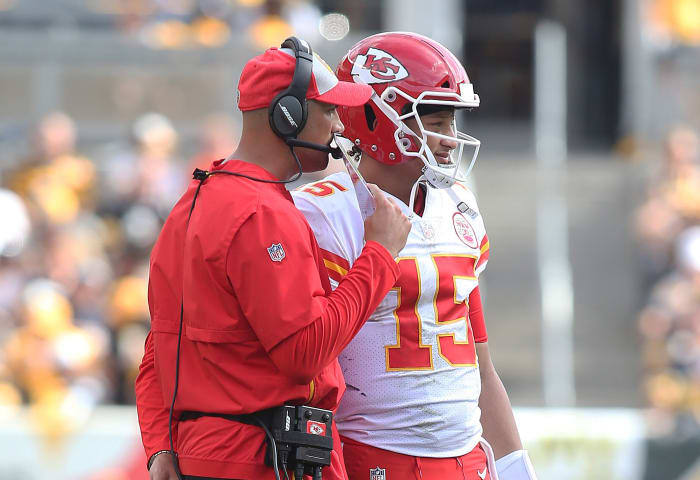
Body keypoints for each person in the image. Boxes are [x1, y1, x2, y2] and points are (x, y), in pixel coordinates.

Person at [134, 37, 411, 480]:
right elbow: (304, 352)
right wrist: (380, 253)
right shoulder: (263, 211)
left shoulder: (191, 200)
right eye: (329, 110)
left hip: (204, 454)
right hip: (265, 460)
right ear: (289, 115)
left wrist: (158, 445)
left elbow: (159, 350)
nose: (340, 126)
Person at [292, 32, 537, 480]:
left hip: (466, 460)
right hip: (370, 456)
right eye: (436, 123)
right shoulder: (322, 213)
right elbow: (303, 356)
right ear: (377, 119)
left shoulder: (459, 204)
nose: (449, 140)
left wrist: (515, 466)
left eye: (450, 124)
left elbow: (480, 361)